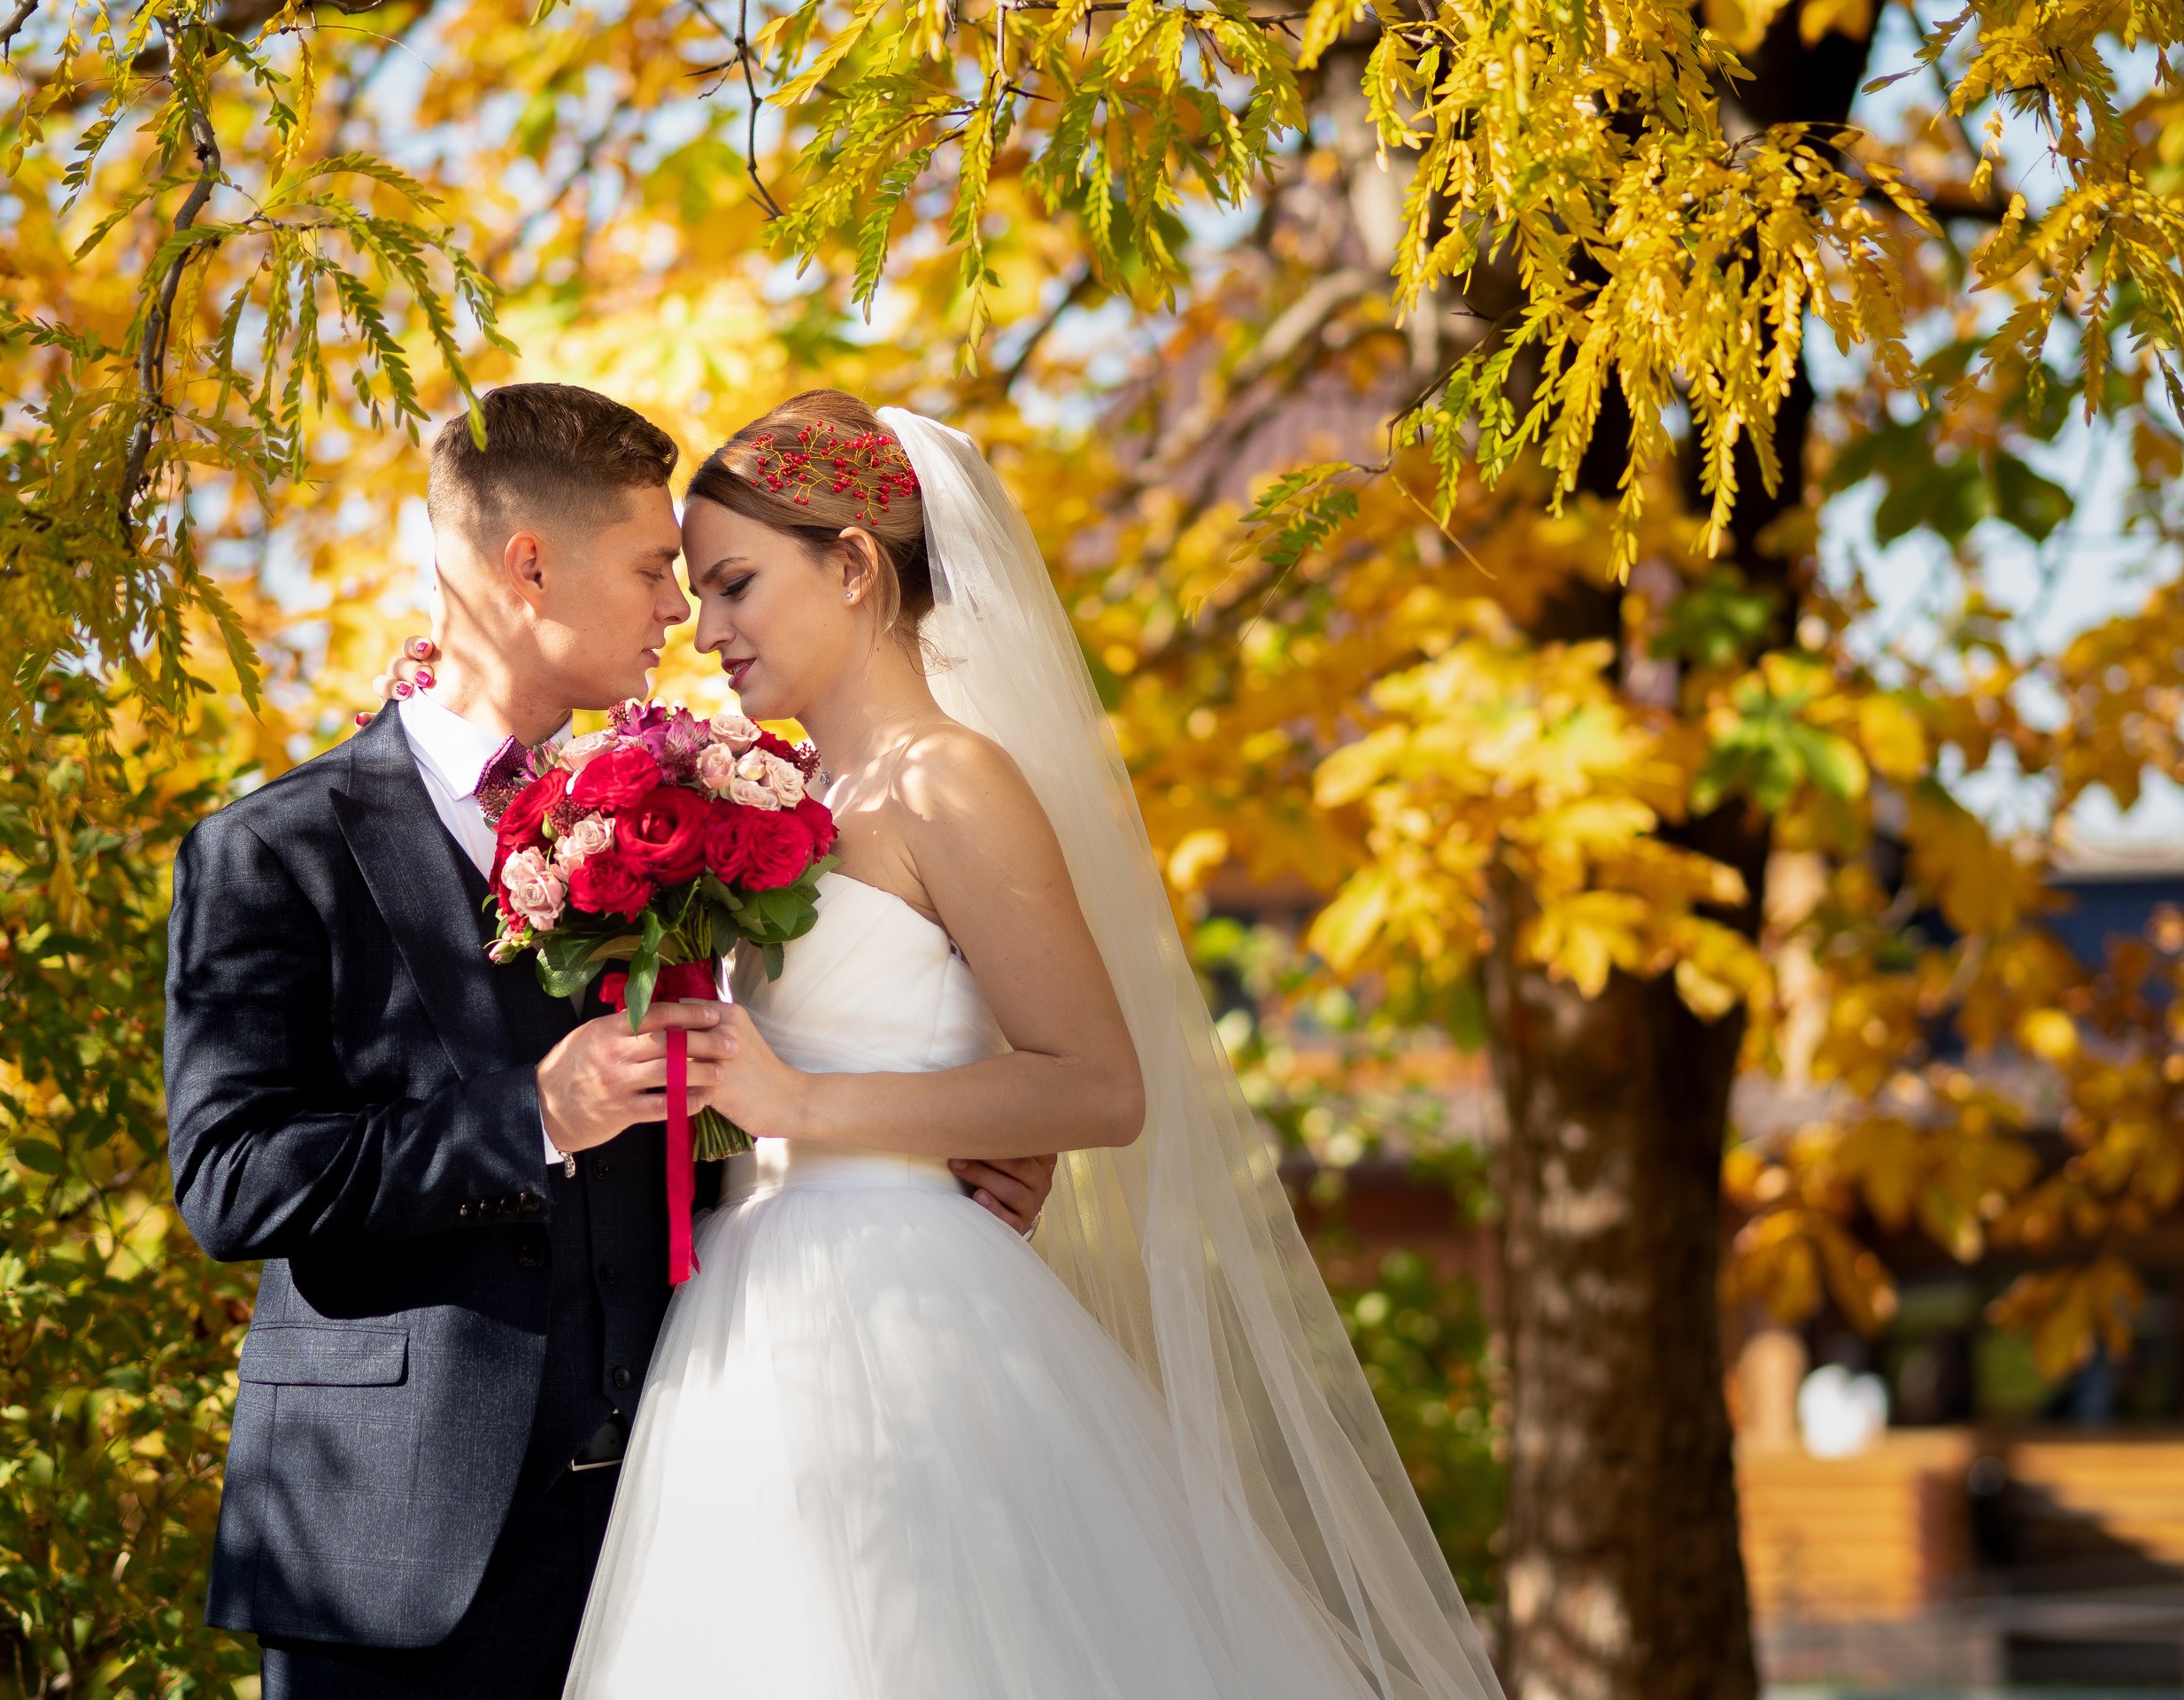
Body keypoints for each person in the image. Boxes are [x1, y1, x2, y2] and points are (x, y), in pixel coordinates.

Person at [436, 390, 1503, 1699]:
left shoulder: (950, 779)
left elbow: (1101, 1084)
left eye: (735, 584)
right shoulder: (788, 797)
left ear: (851, 564)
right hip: (743, 1313)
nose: (702, 630)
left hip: (904, 1320)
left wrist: (803, 1103)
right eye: (696, 589)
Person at [164, 382, 1056, 1700]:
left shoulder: (678, 818)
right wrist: (527, 1117)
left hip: (679, 1523)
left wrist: (945, 1144)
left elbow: (757, 1084)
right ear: (530, 566)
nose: (677, 615)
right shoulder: (269, 851)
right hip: (395, 1547)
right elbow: (233, 1177)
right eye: (652, 570)